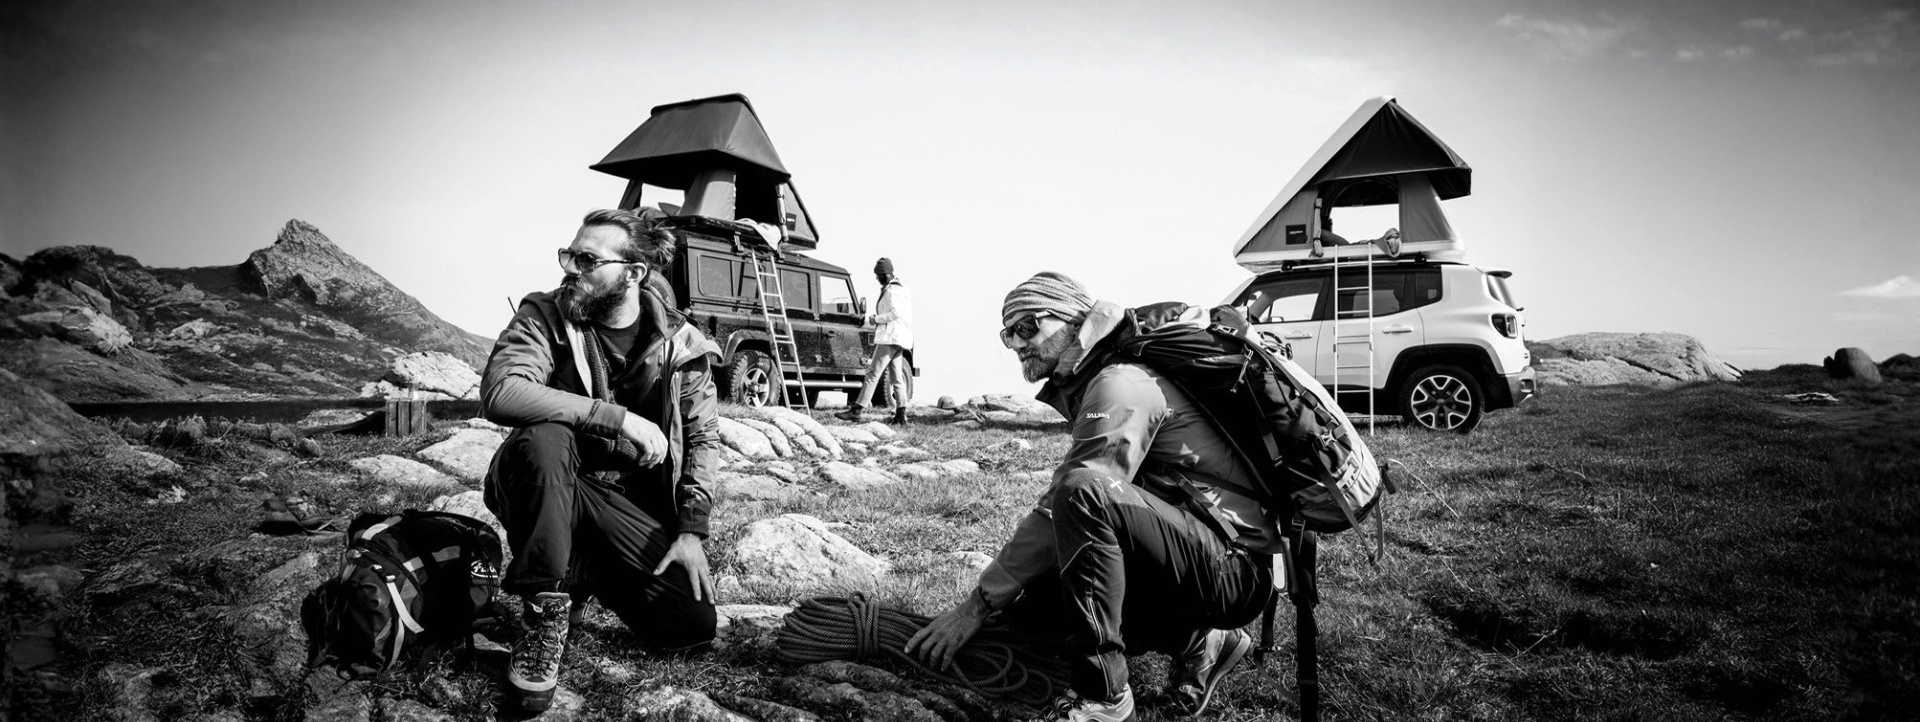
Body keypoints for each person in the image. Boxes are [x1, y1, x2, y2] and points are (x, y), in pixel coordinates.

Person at [905, 272, 1276, 722]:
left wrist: (976, 606)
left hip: (1233, 569)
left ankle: (1104, 696)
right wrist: (998, 602)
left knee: (1082, 493)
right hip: (1195, 552)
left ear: (1073, 320)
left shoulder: (1120, 383)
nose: (1017, 343)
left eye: (1028, 326)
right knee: (1034, 614)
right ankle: (1201, 639)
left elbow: (1076, 499)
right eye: (1008, 333)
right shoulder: (1098, 378)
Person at [480, 208, 723, 713]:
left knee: (692, 627)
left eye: (587, 260)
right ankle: (544, 606)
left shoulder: (681, 343)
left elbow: (703, 439)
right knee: (547, 436)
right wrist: (615, 418)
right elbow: (502, 392)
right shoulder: (544, 315)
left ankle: (584, 573)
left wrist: (690, 532)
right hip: (546, 480)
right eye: (569, 255)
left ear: (633, 273)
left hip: (615, 502)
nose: (571, 268)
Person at [837, 257, 914, 424]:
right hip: (900, 339)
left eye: (878, 275)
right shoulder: (903, 290)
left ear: (885, 274)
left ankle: (857, 410)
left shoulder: (891, 291)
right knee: (897, 378)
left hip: (889, 338)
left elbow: (895, 314)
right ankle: (901, 416)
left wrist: (875, 319)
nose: (877, 278)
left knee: (873, 373)